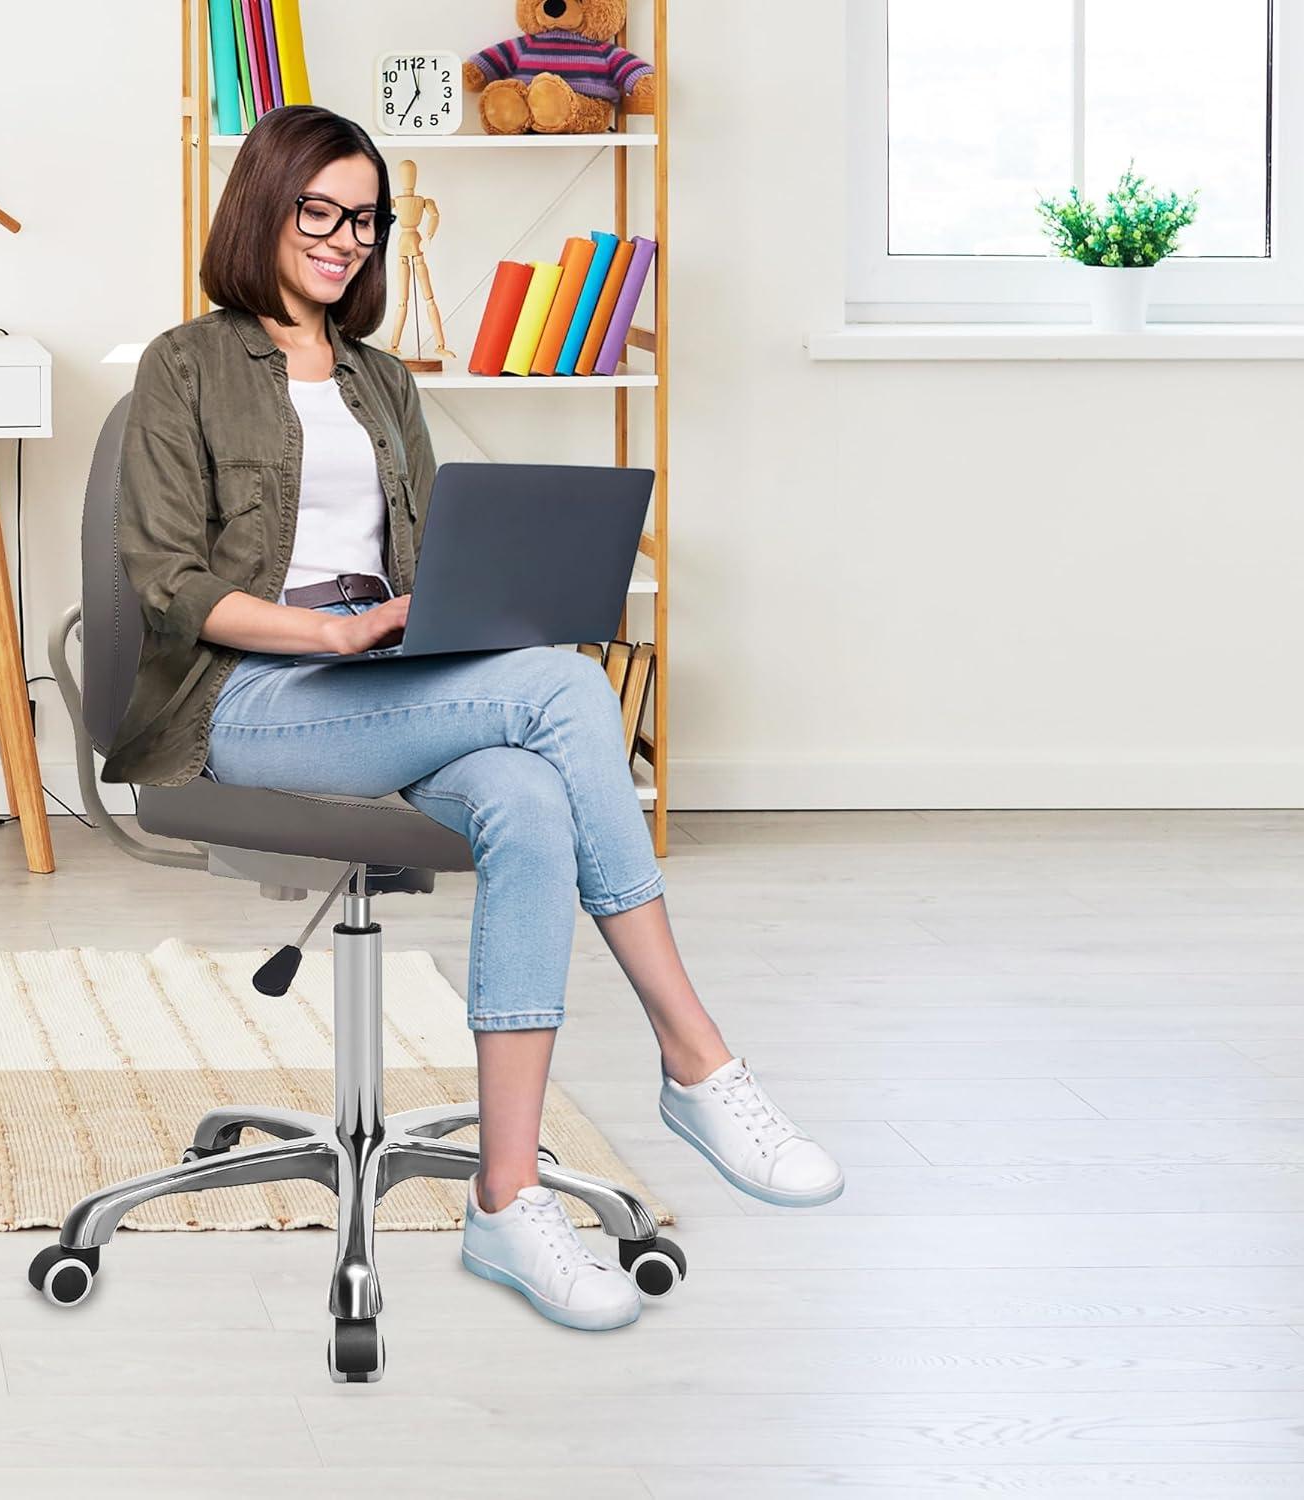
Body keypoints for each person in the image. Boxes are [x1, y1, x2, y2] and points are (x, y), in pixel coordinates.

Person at [106, 105, 843, 1333]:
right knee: (562, 687)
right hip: (248, 698)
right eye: (320, 211)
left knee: (527, 790)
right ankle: (697, 1055)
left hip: (380, 679)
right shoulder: (183, 365)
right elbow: (169, 584)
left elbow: (437, 552)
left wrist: (452, 609)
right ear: (265, 207)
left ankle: (505, 1203)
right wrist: (333, 631)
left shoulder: (382, 380)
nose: (346, 238)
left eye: (366, 218)